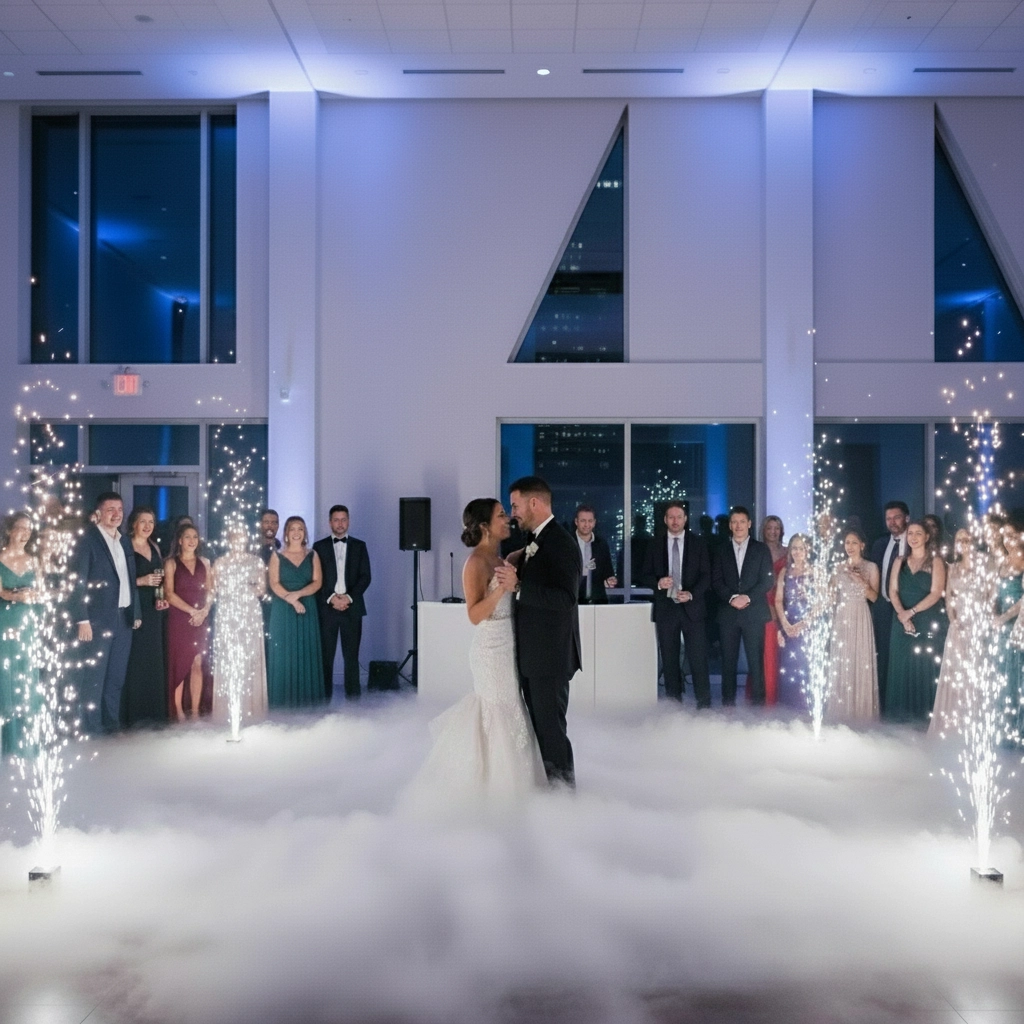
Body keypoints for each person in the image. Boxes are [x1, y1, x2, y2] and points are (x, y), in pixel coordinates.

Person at [403, 500, 545, 812]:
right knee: (498, 712)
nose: (507, 520)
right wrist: (501, 589)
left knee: (513, 710)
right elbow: (474, 615)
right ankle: (494, 792)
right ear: (484, 526)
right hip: (490, 650)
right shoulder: (475, 563)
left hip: (510, 645)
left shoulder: (500, 557)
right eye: (501, 516)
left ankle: (517, 787)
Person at [496, 476, 581, 788]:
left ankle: (564, 796)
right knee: (541, 730)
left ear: (534, 503)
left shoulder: (561, 542)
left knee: (551, 731)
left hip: (551, 659)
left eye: (515, 505)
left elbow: (566, 598)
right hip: (536, 658)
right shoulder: (535, 541)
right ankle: (551, 789)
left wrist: (519, 586)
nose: (513, 511)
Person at [68, 492, 141, 735]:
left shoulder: (124, 541)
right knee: (94, 678)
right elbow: (77, 583)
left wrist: (136, 611)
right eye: (110, 509)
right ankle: (91, 728)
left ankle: (111, 725)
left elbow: (129, 579)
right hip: (96, 621)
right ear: (98, 513)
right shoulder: (87, 540)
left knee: (116, 678)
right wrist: (82, 619)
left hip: (123, 619)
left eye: (119, 509)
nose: (116, 514)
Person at [640, 500, 712, 707]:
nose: (675, 521)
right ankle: (673, 706)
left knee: (698, 659)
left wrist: (692, 594)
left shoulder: (698, 543)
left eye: (679, 517)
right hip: (666, 609)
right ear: (665, 519)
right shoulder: (655, 544)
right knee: (669, 660)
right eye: (671, 517)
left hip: (693, 608)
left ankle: (704, 705)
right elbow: (643, 574)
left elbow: (706, 576)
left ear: (685, 519)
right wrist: (658, 583)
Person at [711, 506, 775, 705]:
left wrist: (746, 597)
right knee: (728, 663)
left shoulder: (761, 549)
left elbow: (767, 581)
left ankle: (758, 708)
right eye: (734, 522)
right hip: (728, 614)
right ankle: (727, 706)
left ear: (749, 524)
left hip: (753, 612)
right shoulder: (720, 549)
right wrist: (731, 598)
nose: (738, 526)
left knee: (756, 663)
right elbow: (716, 581)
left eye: (742, 521)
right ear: (730, 525)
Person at [885, 520, 947, 725]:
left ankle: (922, 720)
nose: (913, 537)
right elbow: (892, 590)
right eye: (910, 533)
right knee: (901, 668)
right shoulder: (899, 561)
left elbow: (937, 593)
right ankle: (899, 720)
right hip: (901, 620)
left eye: (918, 533)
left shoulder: (936, 561)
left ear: (927, 537)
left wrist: (911, 612)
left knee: (923, 667)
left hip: (926, 618)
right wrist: (902, 614)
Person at [930, 528, 987, 738]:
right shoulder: (952, 568)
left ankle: (976, 724)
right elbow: (948, 598)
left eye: (967, 538)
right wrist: (954, 621)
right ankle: (953, 724)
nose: (963, 542)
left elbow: (991, 596)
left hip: (979, 626)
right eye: (959, 539)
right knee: (955, 674)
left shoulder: (984, 564)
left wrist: (979, 621)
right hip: (958, 627)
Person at [213, 522, 268, 735]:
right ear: (228, 539)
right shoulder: (219, 562)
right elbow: (214, 589)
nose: (238, 539)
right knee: (229, 659)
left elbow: (261, 589)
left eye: (242, 536)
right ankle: (226, 710)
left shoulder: (256, 561)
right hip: (227, 613)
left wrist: (240, 591)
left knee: (249, 658)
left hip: (249, 613)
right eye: (234, 536)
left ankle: (252, 709)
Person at [313, 505, 371, 700]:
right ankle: (324, 697)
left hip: (352, 608)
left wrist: (348, 598)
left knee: (351, 657)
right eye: (336, 520)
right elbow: (316, 578)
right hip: (327, 610)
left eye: (343, 519)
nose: (340, 523)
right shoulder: (318, 547)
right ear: (330, 522)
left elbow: (365, 577)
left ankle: (354, 700)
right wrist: (331, 598)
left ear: (348, 521)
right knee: (326, 657)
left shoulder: (359, 546)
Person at [267, 516, 325, 708]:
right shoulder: (276, 556)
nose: (296, 532)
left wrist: (298, 596)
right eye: (292, 529)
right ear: (286, 533)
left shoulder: (313, 555)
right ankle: (282, 702)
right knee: (284, 653)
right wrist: (290, 600)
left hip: (306, 607)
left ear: (305, 532)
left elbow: (317, 582)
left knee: (306, 651)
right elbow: (274, 583)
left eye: (300, 528)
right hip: (282, 610)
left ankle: (308, 702)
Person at [826, 528, 880, 725]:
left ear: (862, 545)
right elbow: (830, 597)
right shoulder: (838, 568)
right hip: (842, 618)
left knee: (860, 661)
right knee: (843, 663)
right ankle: (841, 713)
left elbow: (874, 596)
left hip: (861, 615)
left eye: (854, 543)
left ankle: (862, 714)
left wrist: (859, 580)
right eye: (847, 543)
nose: (850, 547)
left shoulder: (871, 567)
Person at [122, 506, 169, 728]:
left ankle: (153, 715)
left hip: (154, 611)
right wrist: (140, 582)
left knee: (153, 660)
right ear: (133, 524)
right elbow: (116, 580)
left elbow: (159, 580)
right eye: (143, 521)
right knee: (135, 660)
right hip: (134, 608)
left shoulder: (155, 547)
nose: (147, 526)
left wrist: (162, 598)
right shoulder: (124, 545)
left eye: (151, 522)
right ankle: (134, 715)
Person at [164, 523, 214, 721]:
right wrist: (192, 611)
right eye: (187, 537)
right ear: (180, 541)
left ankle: (194, 710)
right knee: (179, 663)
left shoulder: (206, 562)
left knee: (197, 662)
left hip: (201, 618)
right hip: (179, 618)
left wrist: (204, 611)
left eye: (195, 536)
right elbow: (169, 593)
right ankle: (178, 711)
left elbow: (211, 591)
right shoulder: (171, 563)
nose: (192, 540)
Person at [0, 513, 40, 756]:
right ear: (9, 531)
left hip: (28, 622)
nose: (25, 533)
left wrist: (37, 598)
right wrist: (16, 596)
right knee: (7, 678)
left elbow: (42, 589)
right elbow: (2, 593)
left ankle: (27, 741)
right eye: (21, 528)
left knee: (27, 678)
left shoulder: (34, 560)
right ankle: (8, 741)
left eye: (29, 529)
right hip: (5, 620)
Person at [870, 500, 909, 710]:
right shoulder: (880, 544)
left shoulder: (914, 542)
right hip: (883, 608)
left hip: (908, 609)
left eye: (897, 517)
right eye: (889, 518)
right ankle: (884, 706)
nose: (892, 522)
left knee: (904, 658)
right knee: (883, 657)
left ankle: (905, 704)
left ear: (907, 518)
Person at [774, 533, 813, 710]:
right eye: (794, 548)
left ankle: (807, 709)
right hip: (788, 626)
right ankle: (788, 711)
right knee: (789, 668)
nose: (797, 551)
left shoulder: (815, 571)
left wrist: (803, 624)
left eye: (801, 548)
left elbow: (821, 603)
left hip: (809, 627)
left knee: (806, 667)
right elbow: (778, 600)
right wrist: (785, 626)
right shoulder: (785, 571)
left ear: (808, 550)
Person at [760, 515, 787, 705]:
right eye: (769, 528)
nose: (773, 532)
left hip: (786, 604)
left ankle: (784, 697)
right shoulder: (757, 551)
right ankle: (768, 699)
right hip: (763, 605)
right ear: (764, 530)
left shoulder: (788, 552)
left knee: (785, 653)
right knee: (768, 651)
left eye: (776, 528)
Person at [573, 505, 617, 605]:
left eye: (590, 521)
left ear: (594, 523)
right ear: (576, 522)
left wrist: (610, 579)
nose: (586, 524)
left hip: (598, 599)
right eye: (583, 521)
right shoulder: (568, 543)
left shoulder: (601, 544)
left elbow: (608, 571)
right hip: (573, 600)